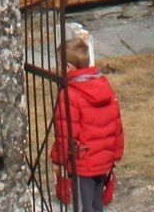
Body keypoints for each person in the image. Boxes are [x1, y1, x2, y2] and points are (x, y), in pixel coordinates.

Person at [49, 32, 123, 210]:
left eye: (58, 64)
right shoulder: (104, 86)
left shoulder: (69, 94)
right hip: (104, 159)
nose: (56, 68)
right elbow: (117, 124)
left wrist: (58, 159)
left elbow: (65, 133)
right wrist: (115, 154)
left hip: (83, 163)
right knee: (97, 204)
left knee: (83, 206)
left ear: (68, 67)